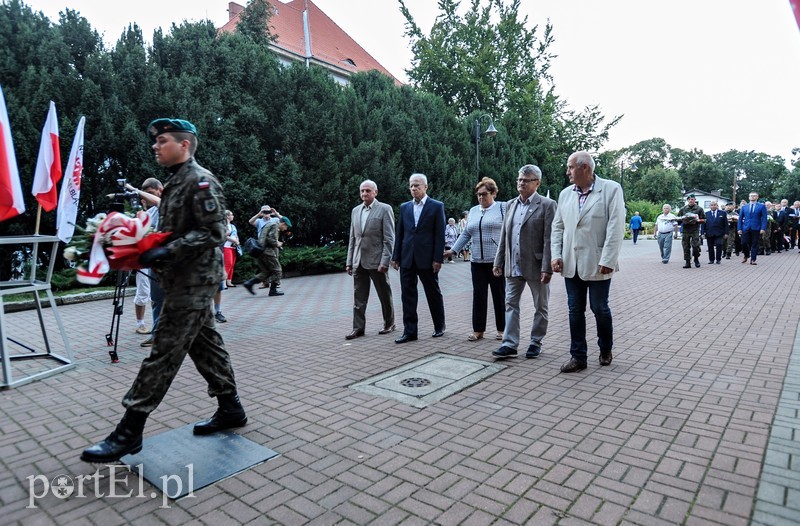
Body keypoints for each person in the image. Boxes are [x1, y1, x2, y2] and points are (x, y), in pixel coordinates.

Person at [81, 118, 247, 463]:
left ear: (184, 145)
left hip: (193, 282)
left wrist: (168, 250)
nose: (156, 146)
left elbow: (215, 232)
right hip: (182, 280)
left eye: (163, 140)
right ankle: (230, 408)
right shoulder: (175, 183)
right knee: (207, 349)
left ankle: (129, 430)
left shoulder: (200, 181)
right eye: (155, 141)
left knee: (163, 352)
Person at [551, 151, 625, 373]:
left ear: (585, 168)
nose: (567, 172)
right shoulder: (565, 194)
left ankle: (605, 348)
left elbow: (616, 226)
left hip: (598, 261)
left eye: (570, 167)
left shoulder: (611, 189)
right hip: (571, 262)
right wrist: (556, 254)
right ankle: (578, 357)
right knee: (575, 310)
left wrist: (609, 259)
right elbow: (558, 227)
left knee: (599, 308)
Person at [491, 166, 556, 359]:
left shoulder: (547, 205)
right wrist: (498, 261)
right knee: (510, 303)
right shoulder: (510, 204)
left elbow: (549, 239)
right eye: (519, 179)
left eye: (526, 180)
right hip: (513, 264)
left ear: (537, 183)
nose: (521, 183)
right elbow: (504, 235)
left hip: (537, 266)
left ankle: (536, 342)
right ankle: (510, 344)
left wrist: (547, 267)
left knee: (540, 306)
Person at [444, 177, 506, 342]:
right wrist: (453, 250)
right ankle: (478, 330)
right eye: (478, 195)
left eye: (484, 194)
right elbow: (466, 233)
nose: (481, 198)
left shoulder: (502, 208)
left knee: (499, 295)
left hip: (496, 261)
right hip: (477, 260)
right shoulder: (473, 210)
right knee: (479, 296)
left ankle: (502, 329)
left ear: (493, 193)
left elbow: (510, 229)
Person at [391, 173, 446, 343]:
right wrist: (396, 256)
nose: (413, 188)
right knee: (407, 295)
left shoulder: (436, 206)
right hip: (407, 257)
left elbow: (439, 235)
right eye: (411, 186)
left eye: (417, 185)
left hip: (427, 258)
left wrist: (438, 259)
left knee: (433, 293)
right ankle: (410, 331)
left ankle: (439, 326)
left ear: (426, 187)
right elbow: (400, 233)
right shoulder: (404, 207)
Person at [344, 180, 395, 340]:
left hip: (377, 261)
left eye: (367, 191)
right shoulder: (355, 211)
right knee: (358, 297)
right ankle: (358, 328)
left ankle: (389, 323)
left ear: (375, 192)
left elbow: (389, 238)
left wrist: (385, 261)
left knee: (384, 295)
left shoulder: (385, 209)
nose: (364, 194)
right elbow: (353, 238)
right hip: (358, 261)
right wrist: (349, 261)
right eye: (362, 191)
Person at [125, 178, 164, 347]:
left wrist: (133, 189)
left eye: (150, 193)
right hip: (154, 263)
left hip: (170, 264)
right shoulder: (149, 213)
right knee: (156, 300)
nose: (147, 197)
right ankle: (156, 334)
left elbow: (161, 202)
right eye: (145, 194)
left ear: (160, 189)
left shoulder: (166, 204)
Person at [243, 216, 292, 295]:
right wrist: (278, 244)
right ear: (283, 224)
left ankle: (249, 283)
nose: (286, 229)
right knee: (277, 270)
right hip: (267, 251)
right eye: (286, 226)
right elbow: (270, 239)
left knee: (266, 271)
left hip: (260, 250)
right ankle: (273, 290)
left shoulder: (268, 224)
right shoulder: (275, 226)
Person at [738, 192, 768, 265]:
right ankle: (746, 255)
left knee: (755, 244)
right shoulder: (744, 207)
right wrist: (739, 228)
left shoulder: (761, 206)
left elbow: (764, 218)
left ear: (757, 197)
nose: (752, 197)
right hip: (746, 227)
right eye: (751, 196)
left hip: (756, 227)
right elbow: (740, 218)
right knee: (743, 243)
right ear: (749, 197)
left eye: (754, 196)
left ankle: (753, 259)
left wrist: (763, 228)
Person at [677, 194, 706, 268]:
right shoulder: (683, 209)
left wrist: (697, 220)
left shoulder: (699, 209)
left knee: (696, 246)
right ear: (687, 200)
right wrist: (682, 219)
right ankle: (687, 261)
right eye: (689, 199)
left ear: (695, 200)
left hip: (695, 229)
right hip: (685, 229)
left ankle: (696, 258)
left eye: (692, 199)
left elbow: (704, 220)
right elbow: (678, 220)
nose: (691, 201)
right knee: (685, 246)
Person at [223, 210, 240, 288]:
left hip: (233, 247)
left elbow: (236, 235)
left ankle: (229, 281)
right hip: (226, 247)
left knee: (232, 264)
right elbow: (225, 236)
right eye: (231, 215)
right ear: (227, 216)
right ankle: (223, 282)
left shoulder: (233, 226)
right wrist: (234, 240)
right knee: (228, 264)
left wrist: (237, 241)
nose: (233, 216)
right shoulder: (224, 226)